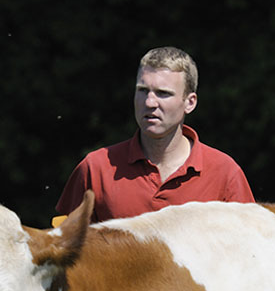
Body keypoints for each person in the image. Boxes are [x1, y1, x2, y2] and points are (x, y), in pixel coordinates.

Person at [55, 46, 254, 223]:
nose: (149, 102)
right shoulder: (95, 169)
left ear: (190, 102)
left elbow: (250, 254)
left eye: (163, 93)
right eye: (142, 90)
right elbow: (63, 251)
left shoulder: (224, 174)